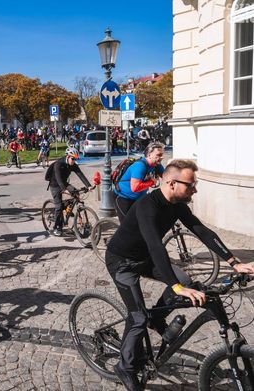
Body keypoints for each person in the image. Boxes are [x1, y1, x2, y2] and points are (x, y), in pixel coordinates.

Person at [106, 159, 254, 391]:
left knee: (185, 280)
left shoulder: (177, 205)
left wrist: (234, 262)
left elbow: (203, 231)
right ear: (172, 183)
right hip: (122, 262)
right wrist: (175, 286)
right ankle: (125, 367)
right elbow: (155, 245)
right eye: (191, 185)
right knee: (138, 319)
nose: (195, 190)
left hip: (145, 258)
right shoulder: (147, 206)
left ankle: (156, 318)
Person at [114, 142, 165, 223]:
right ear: (149, 155)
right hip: (124, 198)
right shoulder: (140, 166)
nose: (162, 157)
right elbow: (135, 188)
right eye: (159, 155)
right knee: (128, 226)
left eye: (162, 154)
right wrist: (151, 182)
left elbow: (167, 177)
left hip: (139, 198)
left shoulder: (157, 165)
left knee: (146, 221)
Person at [47, 147, 91, 237]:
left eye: (75, 159)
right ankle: (57, 227)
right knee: (59, 206)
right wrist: (64, 189)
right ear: (67, 156)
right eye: (73, 158)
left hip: (64, 183)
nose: (74, 161)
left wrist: (88, 186)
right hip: (55, 185)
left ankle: (67, 209)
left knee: (76, 193)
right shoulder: (58, 164)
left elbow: (80, 174)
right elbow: (58, 178)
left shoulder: (73, 165)